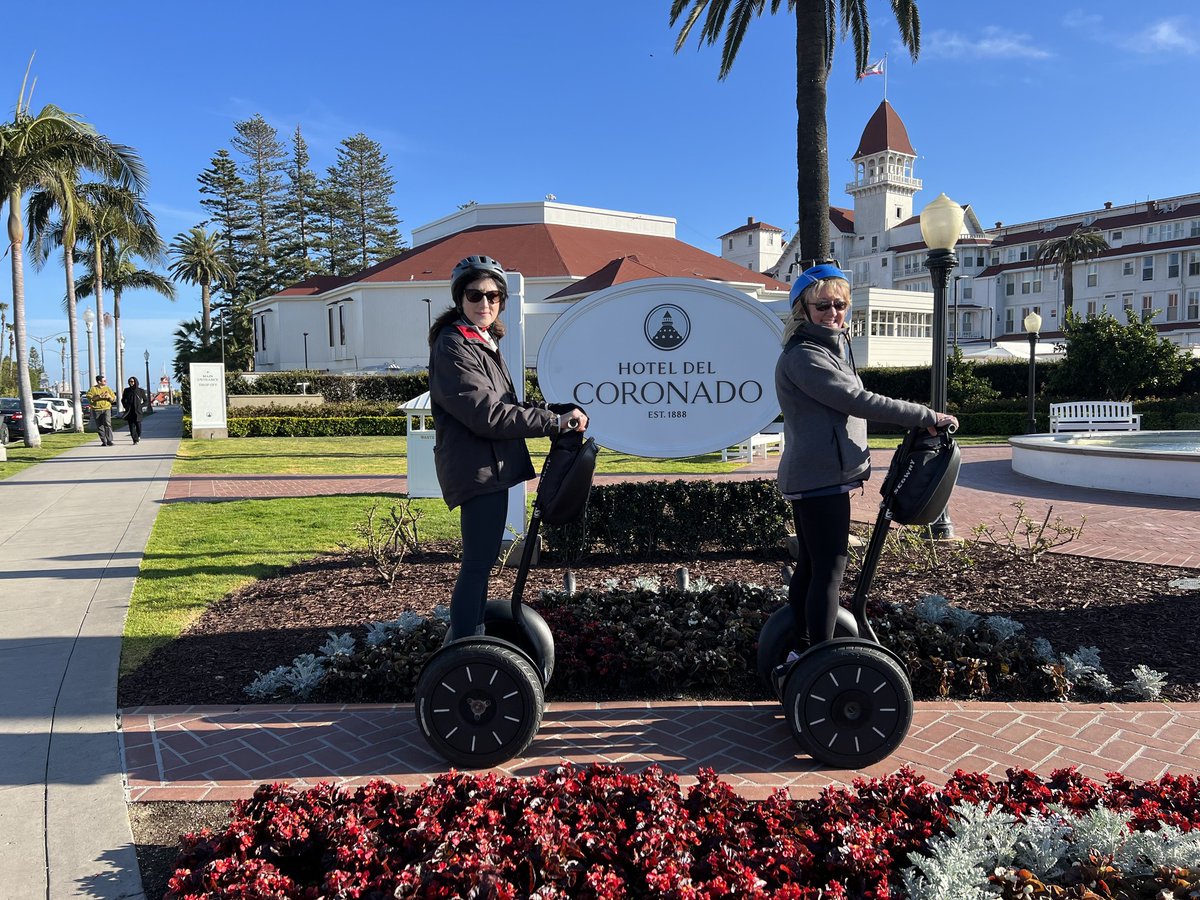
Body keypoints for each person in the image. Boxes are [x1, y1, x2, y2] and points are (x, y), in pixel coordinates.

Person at [775, 262, 958, 651]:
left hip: (821, 474)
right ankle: (817, 658)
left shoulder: (829, 349)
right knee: (828, 570)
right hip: (818, 477)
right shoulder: (806, 355)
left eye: (840, 304)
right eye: (822, 306)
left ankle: (802, 649)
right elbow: (857, 400)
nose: (833, 312)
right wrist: (927, 415)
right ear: (803, 310)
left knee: (812, 567)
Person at [428, 255, 589, 643]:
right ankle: (465, 646)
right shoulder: (454, 345)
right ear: (459, 298)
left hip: (491, 466)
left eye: (494, 296)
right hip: (478, 470)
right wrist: (551, 423)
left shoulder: (483, 342)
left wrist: (554, 410)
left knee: (481, 563)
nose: (485, 303)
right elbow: (486, 414)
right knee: (478, 563)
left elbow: (507, 404)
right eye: (475, 295)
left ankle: (473, 638)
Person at [86, 375, 118, 447]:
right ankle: (104, 441)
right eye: (104, 381)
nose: (105, 382)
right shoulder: (93, 389)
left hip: (107, 408)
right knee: (100, 426)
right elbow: (90, 398)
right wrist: (99, 396)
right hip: (96, 409)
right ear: (99, 381)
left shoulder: (108, 388)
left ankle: (109, 440)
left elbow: (113, 399)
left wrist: (109, 396)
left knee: (107, 423)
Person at [122, 376, 147, 444]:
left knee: (138, 426)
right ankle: (134, 439)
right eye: (129, 382)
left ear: (135, 382)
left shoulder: (140, 391)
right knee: (131, 426)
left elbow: (146, 401)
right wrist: (125, 406)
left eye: (132, 381)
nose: (131, 383)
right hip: (130, 411)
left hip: (138, 411)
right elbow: (123, 400)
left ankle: (138, 435)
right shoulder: (126, 390)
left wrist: (140, 406)